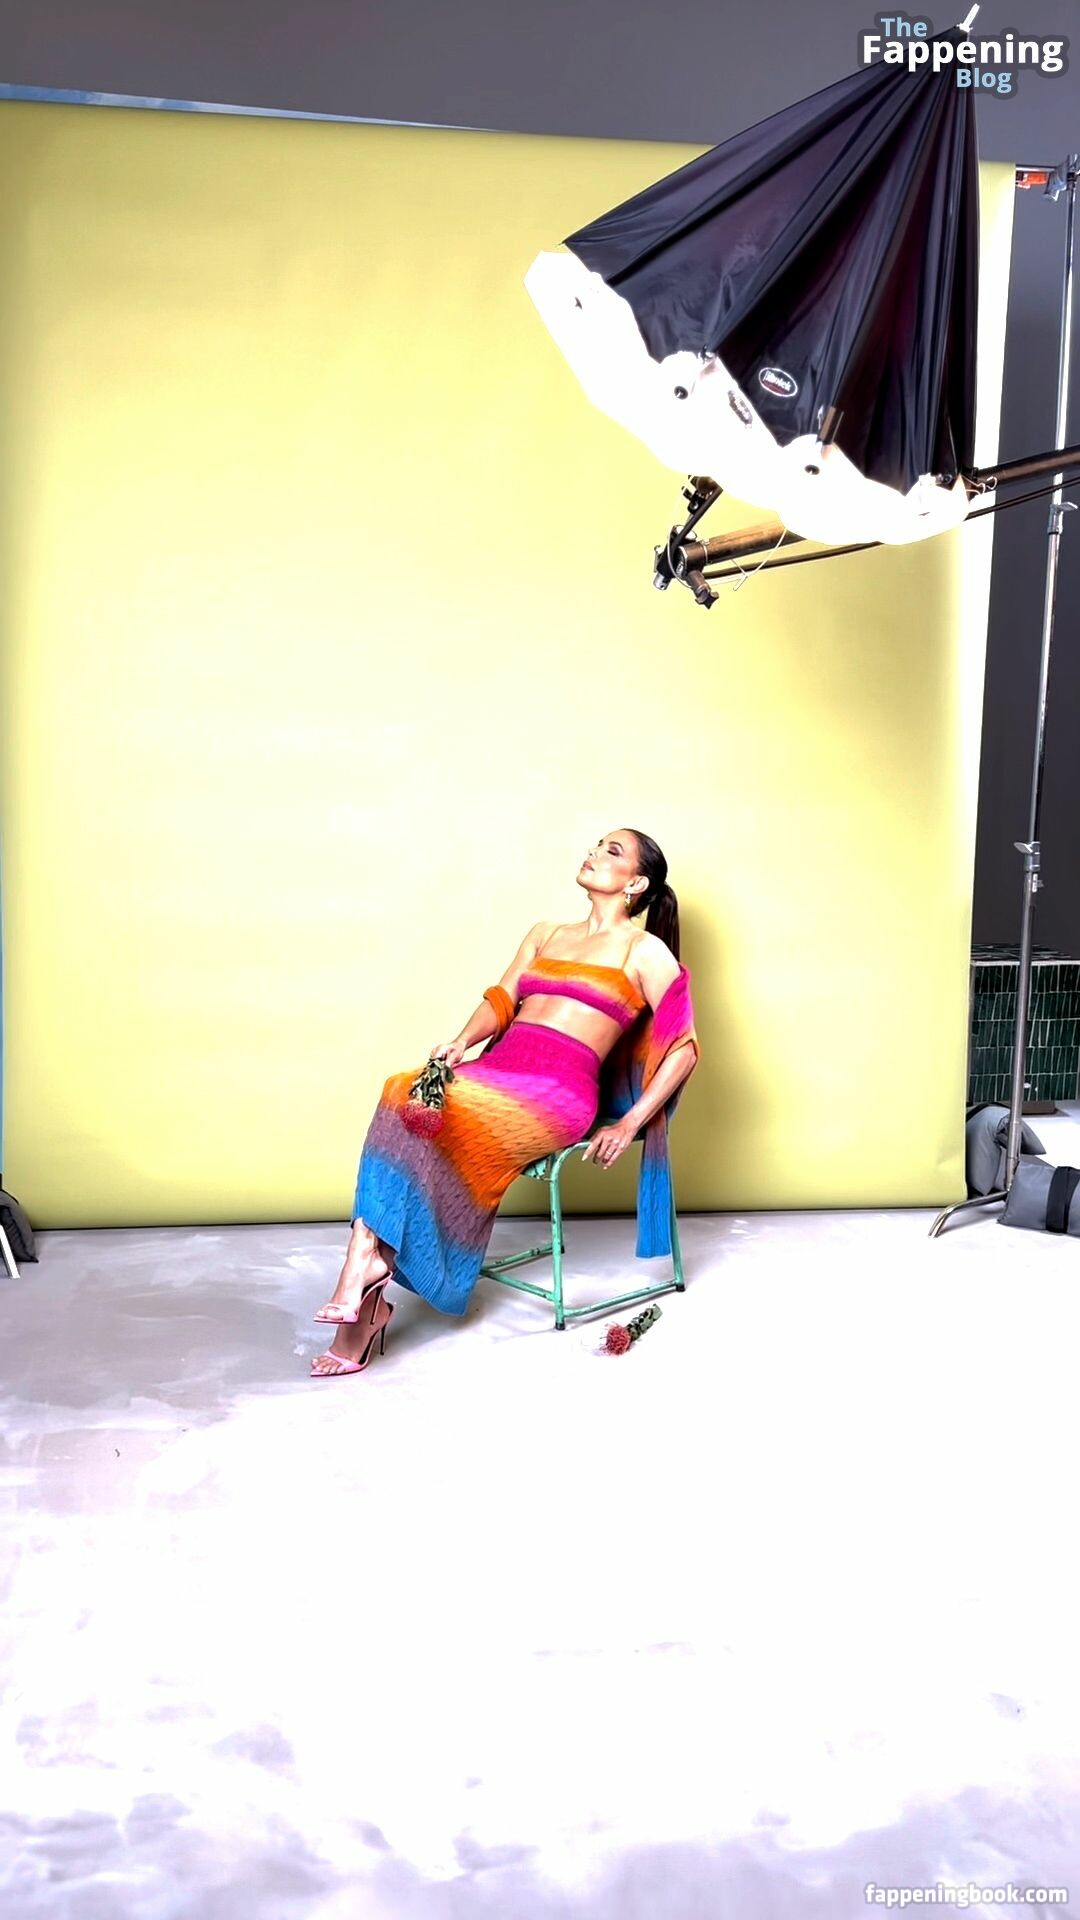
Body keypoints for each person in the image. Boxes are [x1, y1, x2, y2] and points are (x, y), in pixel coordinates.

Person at [310, 828, 700, 1377]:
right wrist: (460, 1042)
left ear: (635, 883)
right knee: (403, 1089)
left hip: (556, 1091)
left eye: (611, 851)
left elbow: (684, 1048)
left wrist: (631, 1120)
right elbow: (502, 1000)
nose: (593, 852)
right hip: (497, 1070)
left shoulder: (644, 950)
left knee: (427, 1115)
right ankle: (363, 1262)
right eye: (596, 844)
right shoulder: (546, 933)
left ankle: (361, 1283)